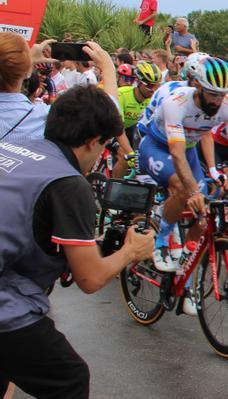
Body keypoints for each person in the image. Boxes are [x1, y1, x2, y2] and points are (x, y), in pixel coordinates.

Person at [0, 85, 154, 399]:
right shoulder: (68, 183)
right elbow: (91, 278)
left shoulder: (12, 147)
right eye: (105, 146)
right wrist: (130, 251)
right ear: (92, 142)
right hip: (5, 304)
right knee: (68, 378)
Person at [138, 55, 228, 309]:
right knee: (182, 188)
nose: (217, 101)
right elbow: (175, 153)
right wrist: (191, 190)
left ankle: (185, 273)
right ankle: (163, 239)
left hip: (187, 149)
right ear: (198, 86)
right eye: (212, 94)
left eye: (223, 94)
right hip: (157, 146)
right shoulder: (177, 103)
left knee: (203, 216)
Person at [112, 62, 161, 178]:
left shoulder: (152, 100)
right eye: (149, 85)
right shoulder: (122, 95)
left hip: (129, 128)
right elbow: (118, 130)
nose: (153, 90)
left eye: (156, 86)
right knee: (126, 156)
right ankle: (114, 188)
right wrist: (130, 153)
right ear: (138, 82)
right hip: (110, 128)